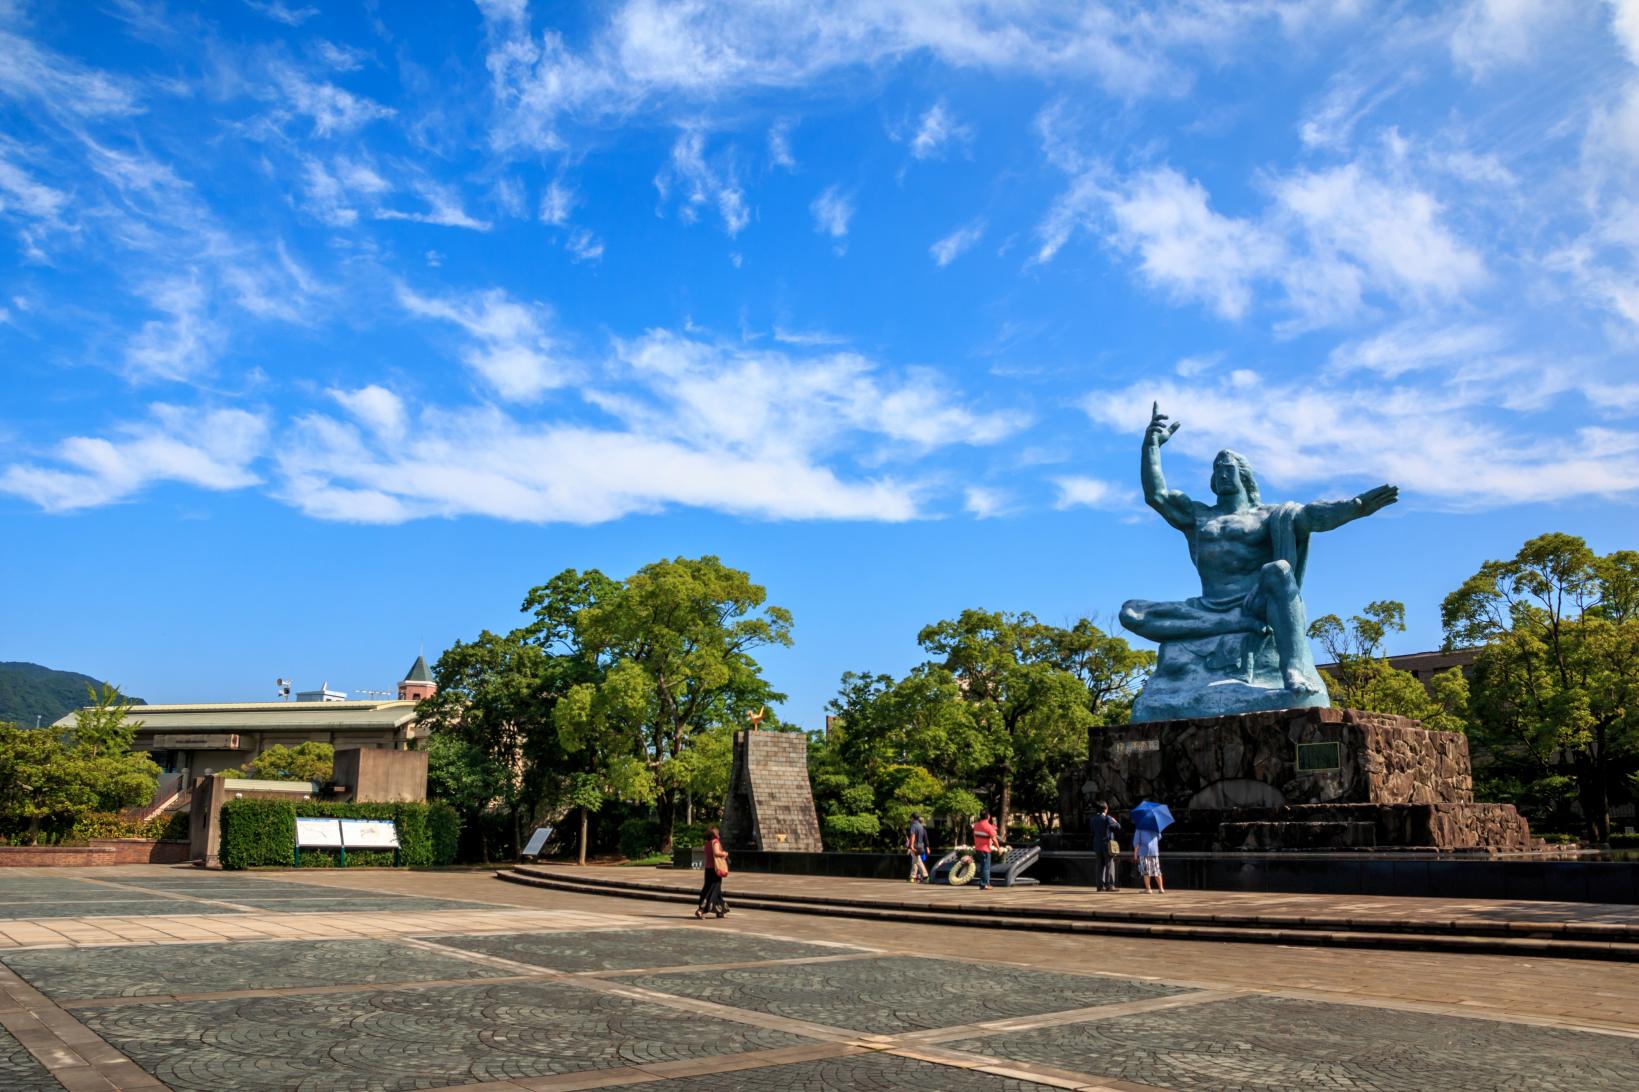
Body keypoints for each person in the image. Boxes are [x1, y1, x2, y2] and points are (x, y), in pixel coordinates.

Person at [695, 825, 729, 918]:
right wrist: (724, 853)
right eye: (717, 833)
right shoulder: (715, 842)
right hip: (715, 869)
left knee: (714, 889)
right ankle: (701, 910)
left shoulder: (707, 843)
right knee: (713, 889)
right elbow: (716, 853)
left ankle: (720, 910)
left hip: (708, 868)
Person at [1090, 801, 1120, 892]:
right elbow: (1118, 827)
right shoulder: (1107, 818)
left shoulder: (1093, 819)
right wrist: (1115, 821)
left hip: (1097, 845)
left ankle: (1100, 886)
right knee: (1109, 864)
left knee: (1099, 865)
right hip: (1107, 844)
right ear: (1105, 809)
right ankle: (1109, 885)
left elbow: (1092, 832)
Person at [971, 810, 999, 891]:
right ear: (988, 816)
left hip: (978, 849)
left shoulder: (976, 825)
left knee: (983, 866)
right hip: (985, 849)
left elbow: (976, 836)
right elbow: (994, 839)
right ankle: (985, 884)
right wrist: (998, 848)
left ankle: (983, 883)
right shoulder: (988, 826)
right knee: (986, 867)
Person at [1133, 823, 1164, 894]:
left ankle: (1148, 889)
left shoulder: (1139, 827)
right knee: (1157, 870)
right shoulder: (1155, 826)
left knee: (1146, 870)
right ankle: (1161, 888)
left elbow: (1137, 843)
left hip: (1144, 851)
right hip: (1154, 851)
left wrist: (1135, 854)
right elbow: (1159, 837)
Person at [907, 814, 929, 883]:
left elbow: (913, 835)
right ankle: (913, 877)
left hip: (915, 846)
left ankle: (925, 876)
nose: (910, 819)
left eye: (911, 818)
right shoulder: (921, 826)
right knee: (916, 861)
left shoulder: (913, 826)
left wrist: (912, 845)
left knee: (917, 861)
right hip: (920, 846)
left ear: (913, 818)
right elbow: (924, 837)